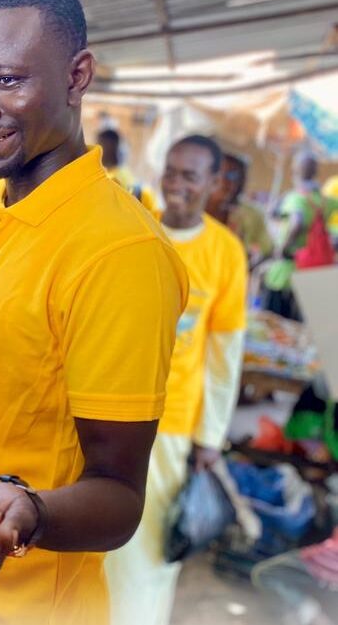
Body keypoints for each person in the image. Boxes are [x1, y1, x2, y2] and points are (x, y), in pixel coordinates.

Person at [0, 0, 189, 623]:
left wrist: (28, 510)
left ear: (77, 76)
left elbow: (118, 497)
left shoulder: (119, 252)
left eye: (5, 79)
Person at [105, 135, 248, 625]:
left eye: (190, 176)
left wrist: (210, 438)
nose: (176, 184)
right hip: (108, 410)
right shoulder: (137, 226)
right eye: (171, 172)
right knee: (100, 535)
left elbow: (225, 354)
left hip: (170, 423)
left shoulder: (225, 253)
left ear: (213, 185)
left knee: (145, 550)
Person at [263, 152, 338, 320]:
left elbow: (297, 222)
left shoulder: (296, 197)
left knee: (272, 324)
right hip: (310, 274)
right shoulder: (325, 201)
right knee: (295, 330)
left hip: (283, 273)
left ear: (295, 170)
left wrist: (282, 248)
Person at [214, 153, 273, 268]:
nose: (224, 181)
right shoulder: (195, 208)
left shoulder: (252, 214)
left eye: (232, 176)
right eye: (221, 173)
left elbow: (266, 250)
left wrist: (246, 266)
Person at [97, 127, 160, 218]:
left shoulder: (118, 178)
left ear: (110, 146)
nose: (96, 148)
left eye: (100, 143)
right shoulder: (116, 173)